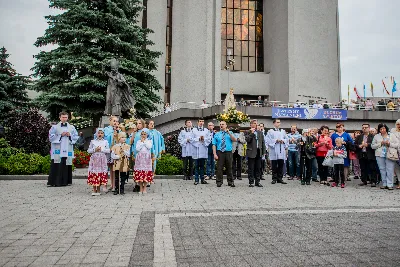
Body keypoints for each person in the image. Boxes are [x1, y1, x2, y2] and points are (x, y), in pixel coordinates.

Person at [48, 111, 79, 187]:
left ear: (68, 118)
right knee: (57, 164)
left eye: (66, 117)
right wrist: (60, 135)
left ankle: (66, 181)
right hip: (58, 148)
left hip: (67, 147)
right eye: (63, 117)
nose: (64, 119)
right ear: (60, 117)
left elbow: (76, 137)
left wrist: (70, 135)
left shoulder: (71, 127)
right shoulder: (54, 127)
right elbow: (51, 137)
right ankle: (55, 181)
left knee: (66, 163)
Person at [371, 123, 399, 190]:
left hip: (390, 154)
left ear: (386, 128)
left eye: (384, 128)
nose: (382, 130)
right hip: (379, 155)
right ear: (379, 130)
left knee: (390, 169)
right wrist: (380, 143)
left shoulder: (392, 135)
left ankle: (390, 184)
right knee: (382, 169)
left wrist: (389, 144)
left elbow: (397, 144)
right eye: (381, 129)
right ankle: (384, 184)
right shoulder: (376, 136)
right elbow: (372, 146)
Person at [212, 121, 237, 187]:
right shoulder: (217, 134)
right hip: (220, 152)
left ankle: (230, 181)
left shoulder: (230, 132)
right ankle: (219, 181)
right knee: (219, 168)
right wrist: (215, 154)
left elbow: (234, 140)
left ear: (226, 125)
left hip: (228, 152)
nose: (221, 125)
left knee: (229, 167)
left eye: (223, 124)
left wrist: (228, 132)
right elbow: (214, 144)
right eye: (220, 124)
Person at [87, 128, 110, 196]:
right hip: (94, 160)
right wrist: (95, 149)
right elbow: (89, 150)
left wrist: (102, 149)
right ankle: (94, 189)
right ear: (96, 134)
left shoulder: (105, 142)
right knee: (95, 173)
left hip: (102, 160)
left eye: (101, 133)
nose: (100, 134)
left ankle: (99, 189)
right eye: (99, 133)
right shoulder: (93, 141)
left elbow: (108, 150)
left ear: (103, 134)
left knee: (100, 173)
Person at [266, 119, 288, 184]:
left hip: (281, 150)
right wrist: (276, 140)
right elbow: (268, 140)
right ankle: (274, 178)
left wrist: (283, 141)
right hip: (274, 150)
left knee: (281, 164)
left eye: (279, 122)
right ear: (274, 123)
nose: (279, 123)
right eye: (277, 122)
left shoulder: (283, 131)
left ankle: (280, 178)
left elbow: (287, 139)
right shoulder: (270, 131)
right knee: (274, 165)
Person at [245, 120, 266, 187]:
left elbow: (262, 142)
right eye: (254, 123)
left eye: (256, 124)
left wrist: (263, 152)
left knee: (258, 167)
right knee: (251, 167)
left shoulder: (260, 132)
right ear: (251, 124)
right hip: (251, 151)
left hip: (258, 151)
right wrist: (251, 133)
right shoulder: (247, 132)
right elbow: (247, 140)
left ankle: (257, 181)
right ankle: (251, 182)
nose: (256, 125)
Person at [134, 130, 154, 194]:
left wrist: (144, 142)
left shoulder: (149, 141)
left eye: (144, 134)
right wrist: (142, 143)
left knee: (146, 173)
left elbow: (149, 147)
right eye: (142, 134)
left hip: (146, 159)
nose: (143, 135)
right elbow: (137, 149)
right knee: (140, 173)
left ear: (147, 135)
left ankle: (145, 188)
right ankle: (140, 188)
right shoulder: (138, 141)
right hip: (140, 159)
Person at [191, 118, 211, 185]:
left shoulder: (206, 130)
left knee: (202, 166)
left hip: (203, 149)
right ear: (197, 122)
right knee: (196, 166)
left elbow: (209, 139)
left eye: (202, 121)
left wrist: (203, 139)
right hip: (196, 149)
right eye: (200, 121)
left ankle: (202, 179)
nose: (201, 122)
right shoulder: (193, 130)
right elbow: (191, 139)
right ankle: (196, 180)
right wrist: (198, 139)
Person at [103, 116, 120, 192]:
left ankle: (113, 185)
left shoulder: (118, 130)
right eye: (114, 121)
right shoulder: (106, 129)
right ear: (110, 121)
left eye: (116, 121)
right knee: (106, 167)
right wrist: (113, 133)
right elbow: (105, 138)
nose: (115, 123)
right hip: (108, 151)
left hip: (114, 151)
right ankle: (105, 185)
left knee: (113, 168)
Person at [390, 119, 400, 189]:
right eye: (398, 124)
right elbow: (391, 143)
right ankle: (399, 182)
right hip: (396, 153)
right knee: (397, 169)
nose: (399, 126)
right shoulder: (392, 133)